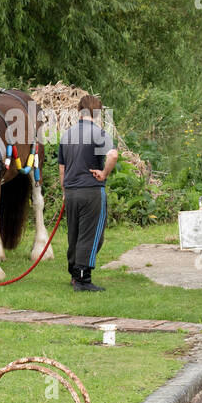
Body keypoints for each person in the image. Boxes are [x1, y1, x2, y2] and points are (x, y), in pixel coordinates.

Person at [58, 94, 118, 292]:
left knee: (74, 235)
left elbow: (62, 167)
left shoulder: (67, 134)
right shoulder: (99, 133)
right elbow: (113, 155)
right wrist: (104, 173)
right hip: (91, 191)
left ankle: (75, 274)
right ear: (98, 113)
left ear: (79, 111)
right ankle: (83, 280)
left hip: (72, 191)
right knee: (92, 236)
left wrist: (65, 190)